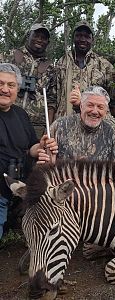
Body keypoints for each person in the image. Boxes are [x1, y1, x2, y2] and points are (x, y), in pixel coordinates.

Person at [0, 63, 57, 239]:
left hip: (19, 190)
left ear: (18, 89)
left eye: (11, 85)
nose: (5, 89)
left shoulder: (21, 114)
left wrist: (41, 147)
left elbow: (31, 147)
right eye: (0, 83)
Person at [55, 20, 115, 118]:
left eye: (87, 37)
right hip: (66, 121)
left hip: (95, 122)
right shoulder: (62, 62)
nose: (82, 39)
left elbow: (114, 96)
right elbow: (53, 96)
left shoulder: (103, 64)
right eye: (79, 35)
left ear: (92, 40)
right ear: (73, 38)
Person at [38, 86, 115, 163]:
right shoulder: (60, 125)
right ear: (81, 106)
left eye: (100, 107)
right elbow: (44, 157)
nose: (94, 111)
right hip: (64, 182)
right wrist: (48, 161)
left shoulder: (114, 132)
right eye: (90, 105)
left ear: (106, 111)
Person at [0, 23, 57, 139]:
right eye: (36, 35)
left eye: (44, 38)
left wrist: (49, 128)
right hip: (6, 118)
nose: (40, 40)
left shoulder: (51, 67)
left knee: (32, 153)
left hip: (36, 126)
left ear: (48, 43)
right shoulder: (8, 56)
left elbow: (51, 101)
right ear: (28, 36)